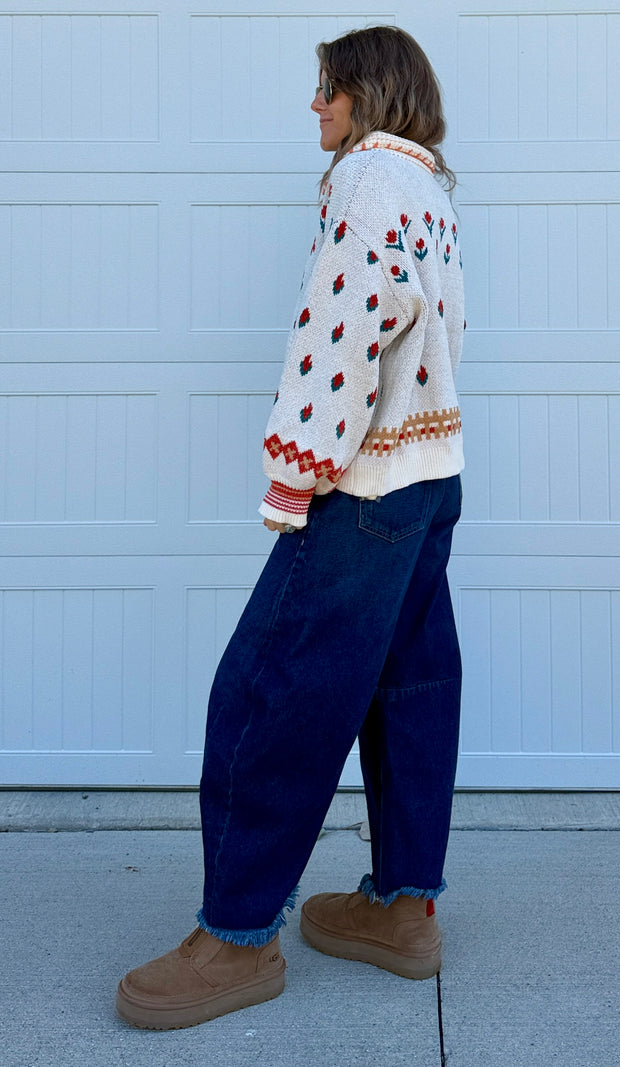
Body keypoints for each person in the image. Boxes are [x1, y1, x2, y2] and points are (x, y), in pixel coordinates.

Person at [116, 24, 465, 1030]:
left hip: (360, 486)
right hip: (430, 475)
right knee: (408, 688)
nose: (314, 107)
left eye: (326, 90)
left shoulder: (366, 181)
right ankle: (404, 908)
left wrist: (294, 473)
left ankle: (234, 936)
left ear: (367, 95)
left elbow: (344, 335)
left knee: (265, 695)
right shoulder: (432, 189)